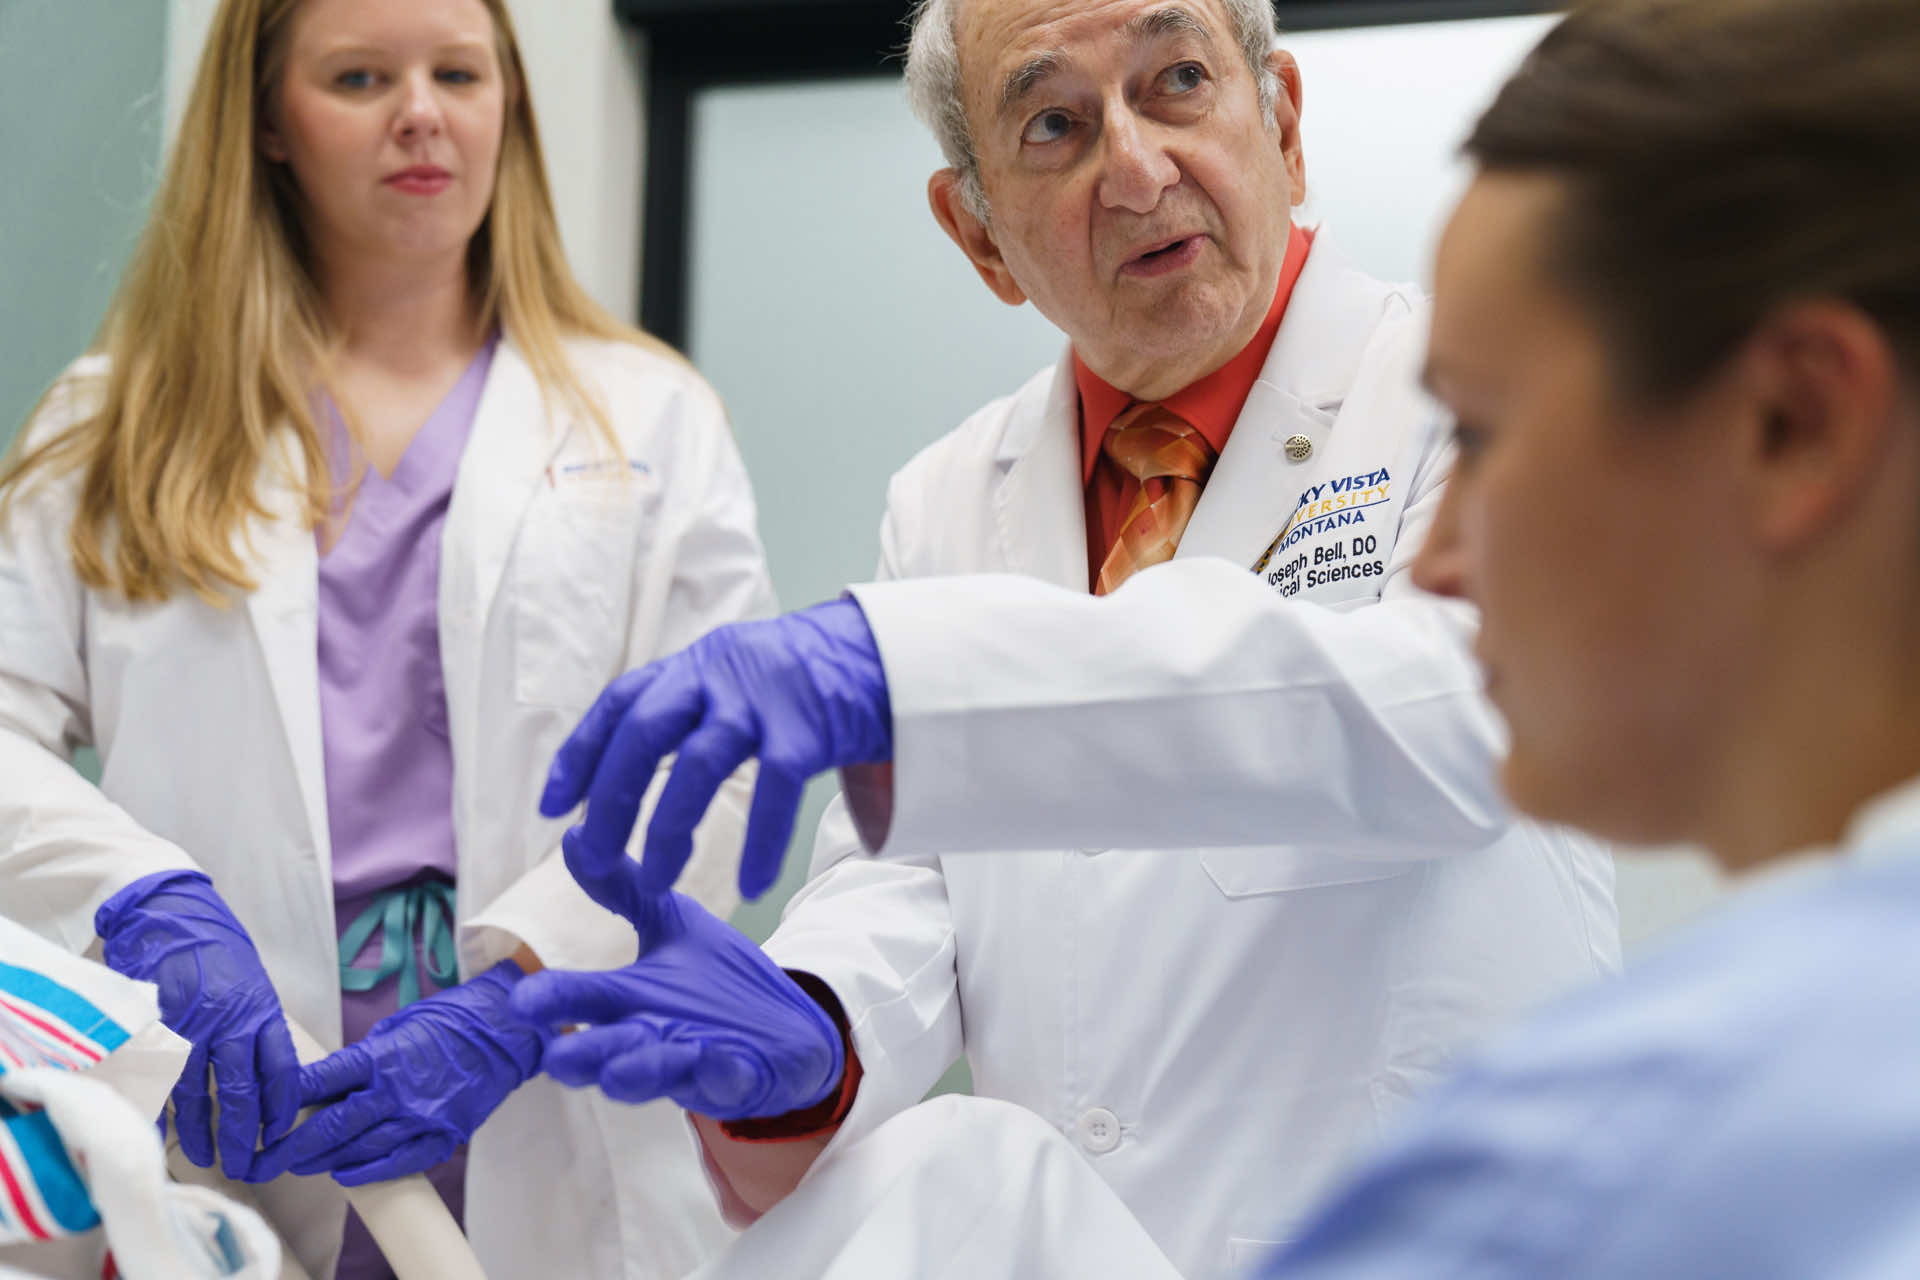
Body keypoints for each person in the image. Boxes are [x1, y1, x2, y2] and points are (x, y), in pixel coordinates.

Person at [526, 0, 1920, 1274]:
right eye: (1055, 124)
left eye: (1177, 81)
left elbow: (1454, 715)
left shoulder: (1472, 389)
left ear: (1286, 122)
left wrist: (919, 685)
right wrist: (815, 1027)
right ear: (977, 234)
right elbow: (920, 884)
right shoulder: (952, 497)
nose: (1134, 169)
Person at [0, 0, 773, 1275]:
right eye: (360, 76)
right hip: (217, 1139)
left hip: (557, 1140)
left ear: (506, 102)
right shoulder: (116, 423)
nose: (420, 111)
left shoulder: (649, 417)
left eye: (456, 72)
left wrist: (526, 989)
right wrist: (139, 900)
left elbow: (723, 768)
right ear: (267, 124)